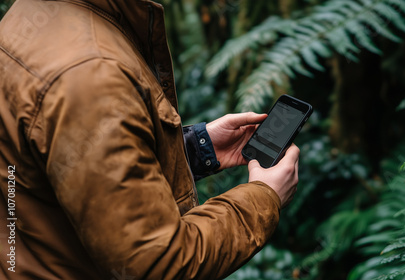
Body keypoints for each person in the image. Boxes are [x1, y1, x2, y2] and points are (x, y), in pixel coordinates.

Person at [0, 0, 299, 279]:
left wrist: (195, 148)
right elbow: (158, 264)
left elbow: (69, 170)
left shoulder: (28, 15)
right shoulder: (92, 73)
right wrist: (263, 196)